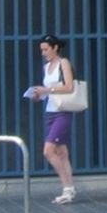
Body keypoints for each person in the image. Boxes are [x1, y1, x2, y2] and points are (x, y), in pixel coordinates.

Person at [27, 34, 79, 204]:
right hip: (50, 111)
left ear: (55, 47)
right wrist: (38, 95)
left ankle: (66, 187)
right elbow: (47, 92)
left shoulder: (63, 63)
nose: (43, 53)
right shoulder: (46, 67)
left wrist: (47, 90)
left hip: (62, 111)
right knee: (61, 151)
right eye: (41, 50)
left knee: (48, 151)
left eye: (46, 49)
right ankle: (69, 189)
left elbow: (69, 87)